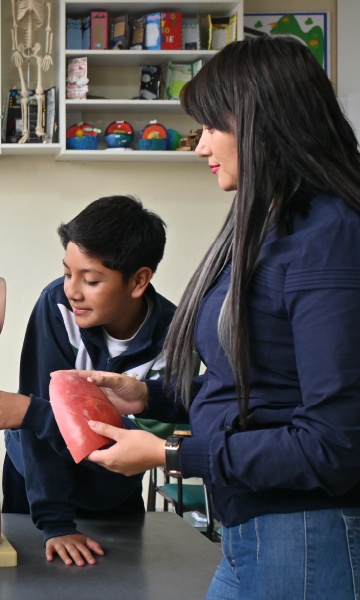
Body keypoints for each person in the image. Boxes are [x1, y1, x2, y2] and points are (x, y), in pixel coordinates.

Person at [76, 37, 360, 600]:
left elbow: (334, 444)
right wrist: (148, 398)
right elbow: (261, 385)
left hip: (304, 533)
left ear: (261, 121)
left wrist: (170, 453)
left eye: (211, 125)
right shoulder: (267, 229)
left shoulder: (328, 240)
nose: (199, 143)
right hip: (251, 529)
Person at [0, 195, 173, 566]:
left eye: (90, 280)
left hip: (113, 491)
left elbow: (135, 441)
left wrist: (35, 413)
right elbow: (32, 422)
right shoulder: (55, 307)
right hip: (36, 490)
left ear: (139, 281)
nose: (72, 290)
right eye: (67, 272)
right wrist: (56, 523)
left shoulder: (176, 334)